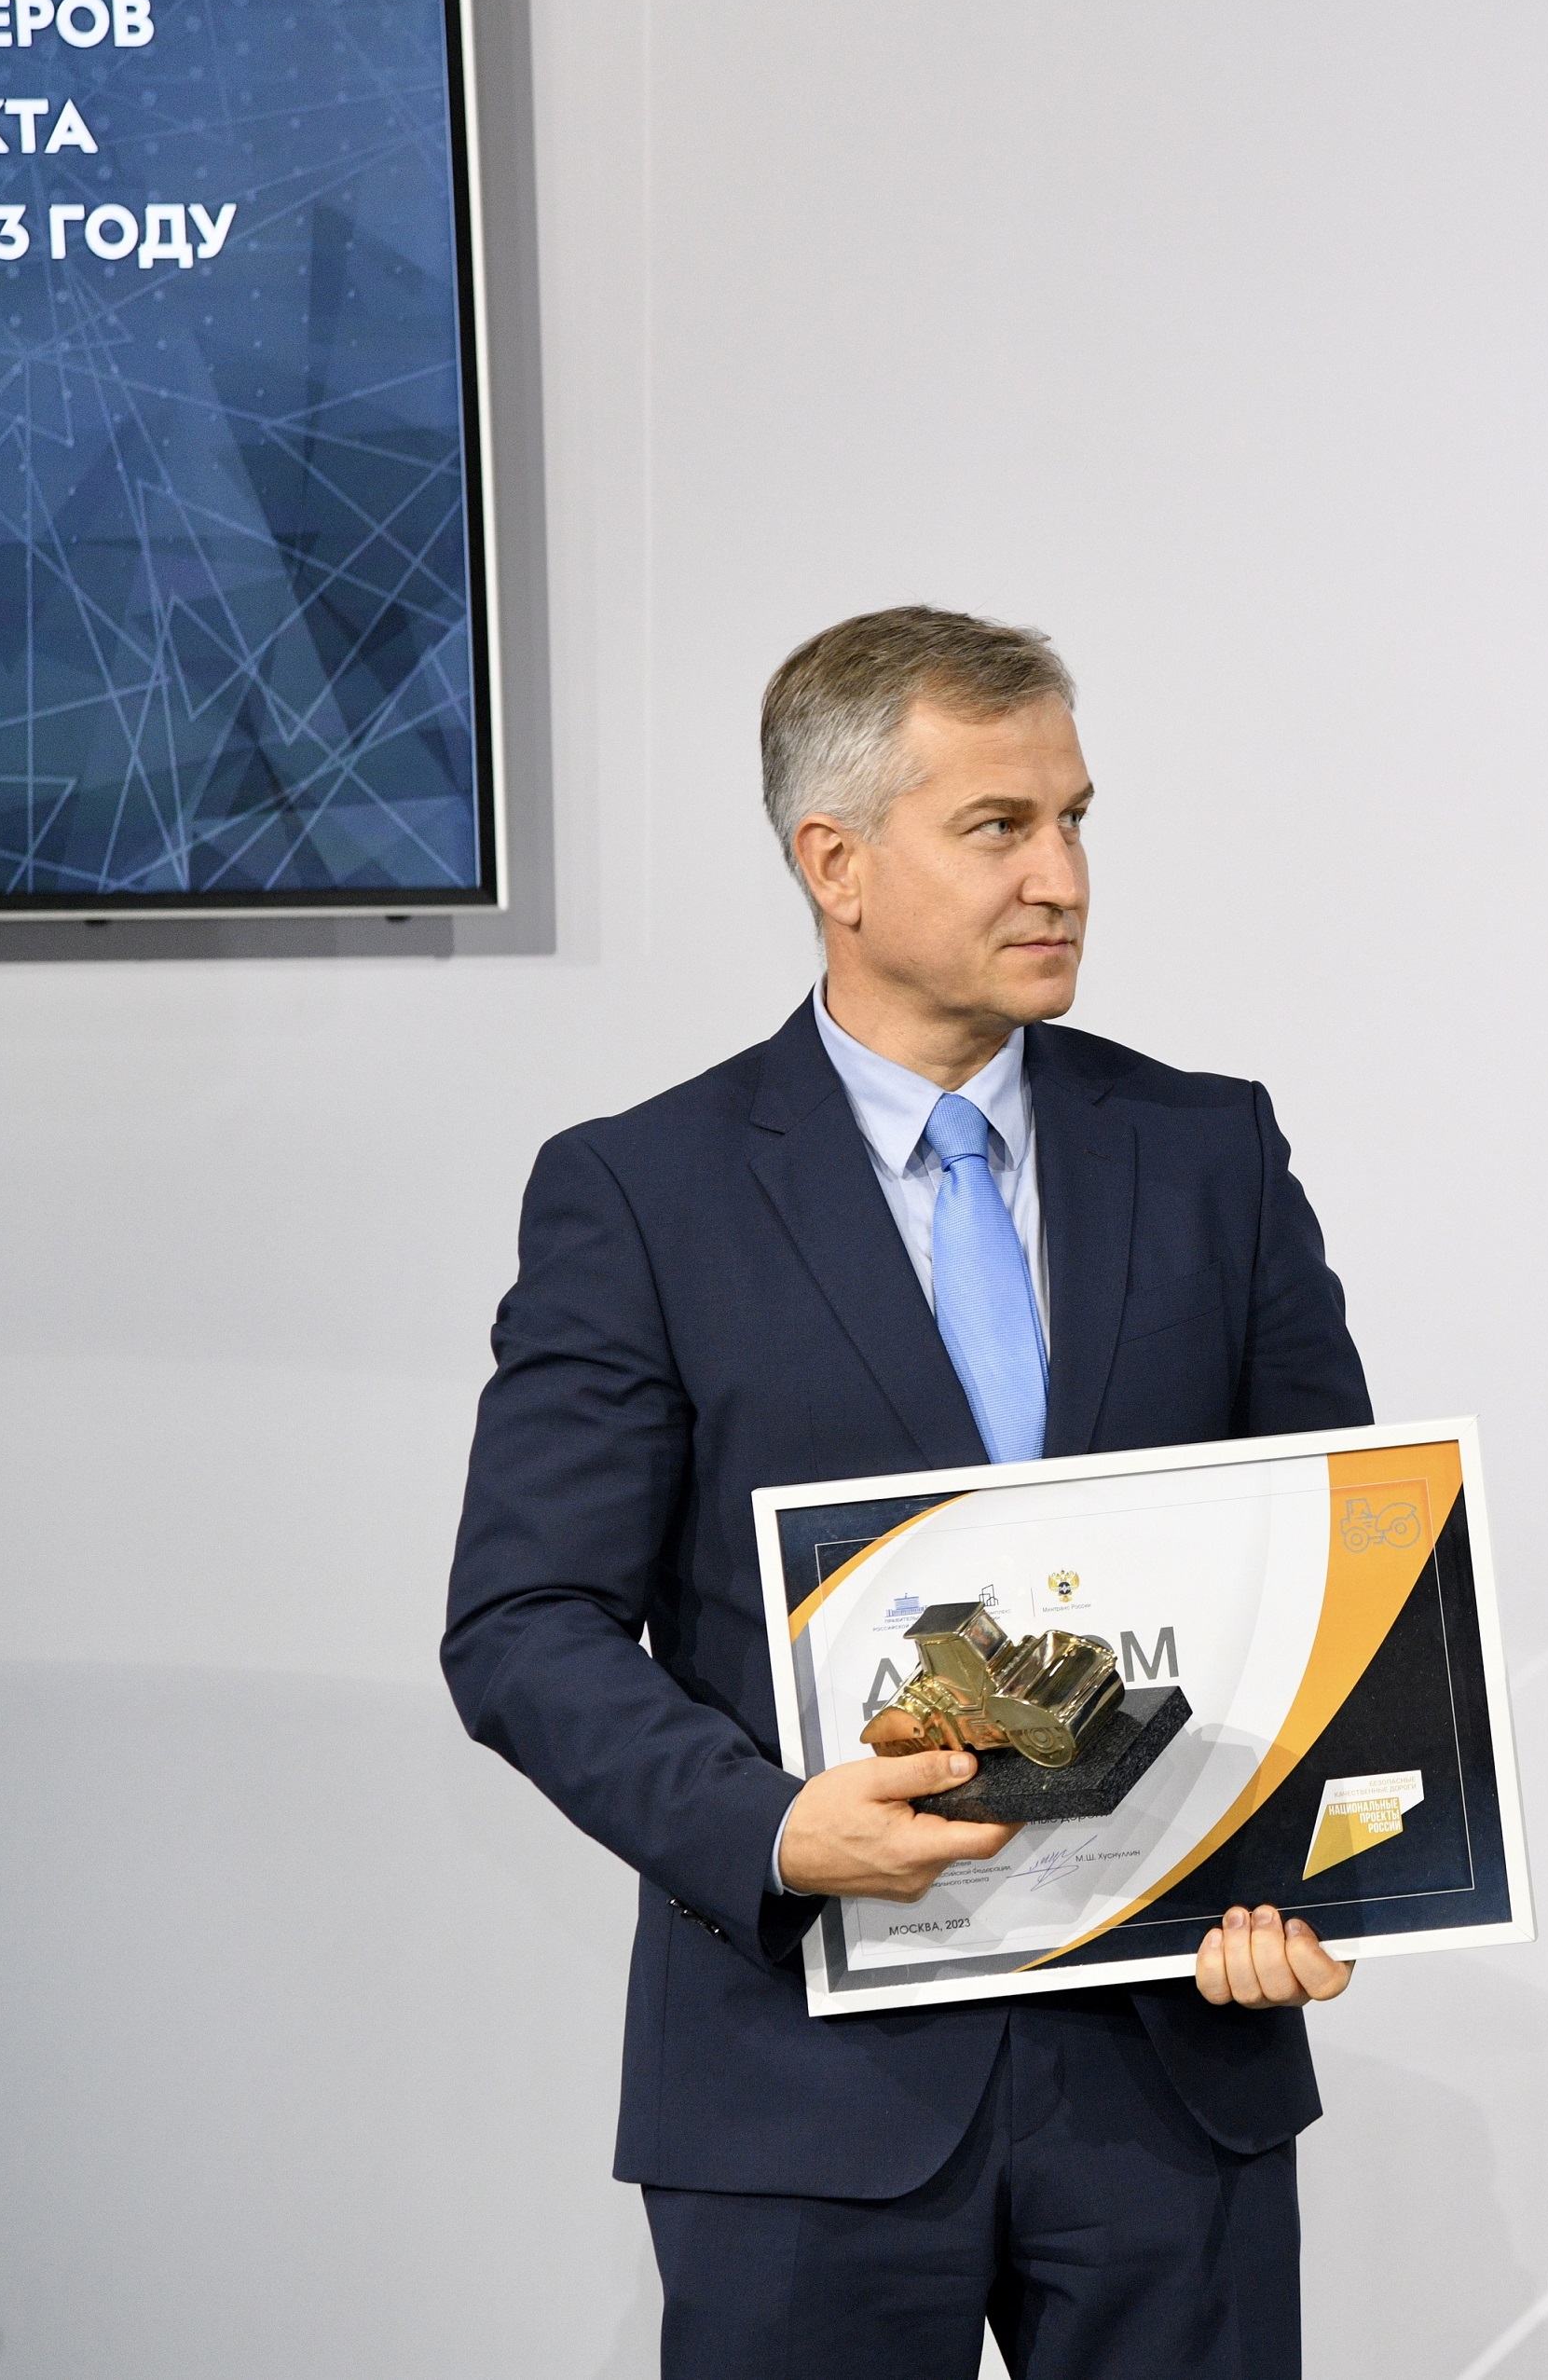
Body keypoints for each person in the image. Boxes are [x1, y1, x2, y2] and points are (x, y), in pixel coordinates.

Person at [444, 607, 1368, 2380]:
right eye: (998, 827)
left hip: (1172, 2068)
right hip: (808, 2081)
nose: (1062, 877)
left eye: (1075, 820)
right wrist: (777, 1831)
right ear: (836, 864)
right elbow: (524, 1626)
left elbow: (1333, 1562)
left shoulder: (1212, 1154)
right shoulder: (640, 1194)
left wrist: (1309, 1874)